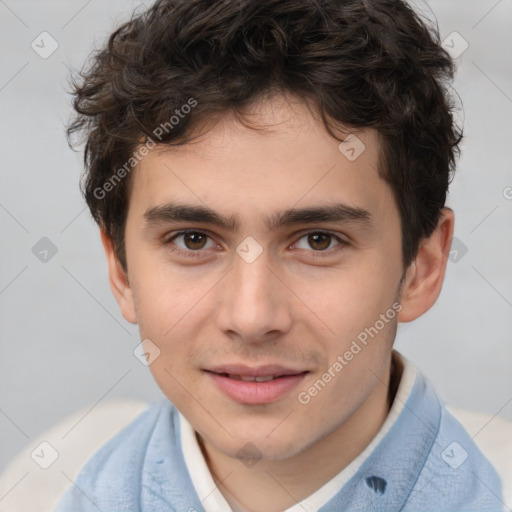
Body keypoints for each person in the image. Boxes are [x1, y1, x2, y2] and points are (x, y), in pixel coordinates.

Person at [55, 0, 504, 510]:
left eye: (318, 240)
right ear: (122, 271)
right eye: (193, 240)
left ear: (421, 268)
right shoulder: (41, 485)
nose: (251, 317)